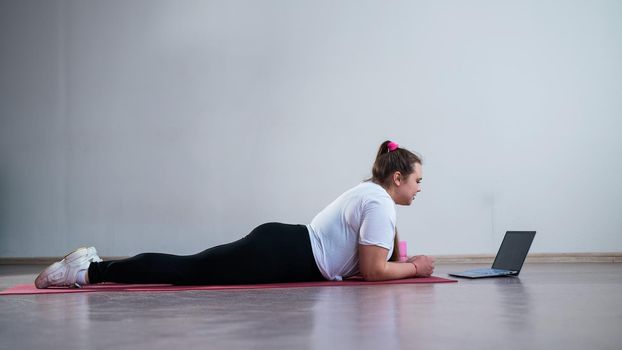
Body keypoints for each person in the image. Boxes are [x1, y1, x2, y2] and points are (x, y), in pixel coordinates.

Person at [34, 140, 435, 288]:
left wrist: (401, 261)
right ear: (397, 177)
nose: (420, 189)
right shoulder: (379, 201)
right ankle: (87, 271)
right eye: (417, 181)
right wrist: (417, 268)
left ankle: (90, 270)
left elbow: (367, 262)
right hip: (284, 252)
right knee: (186, 272)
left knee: (190, 268)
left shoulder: (369, 191)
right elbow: (373, 272)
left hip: (284, 245)